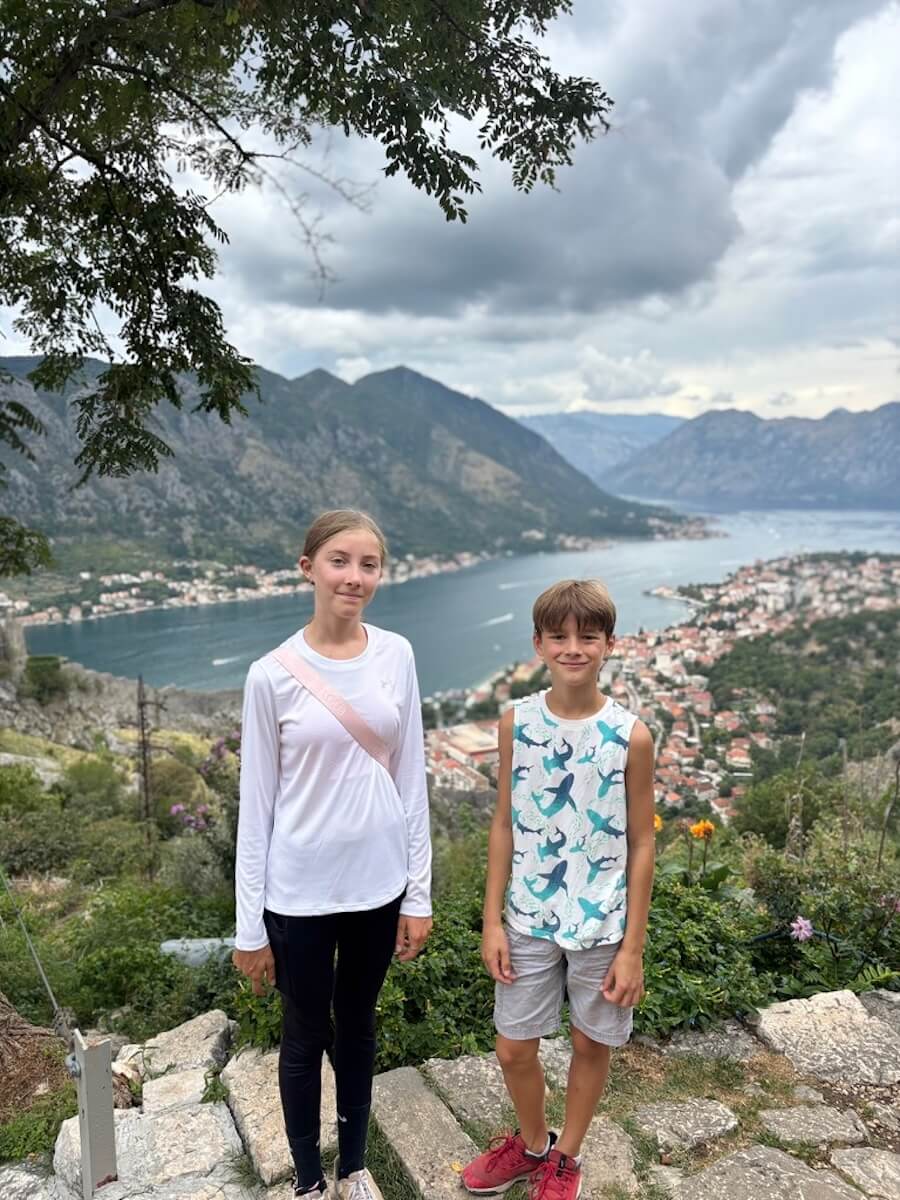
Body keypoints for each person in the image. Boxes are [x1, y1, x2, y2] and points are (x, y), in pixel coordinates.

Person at [232, 509, 433, 1200]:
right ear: (308, 567)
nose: (355, 576)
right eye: (340, 561)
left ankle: (353, 1165)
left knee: (359, 1023)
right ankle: (309, 1179)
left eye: (368, 564)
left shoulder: (397, 655)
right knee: (303, 1032)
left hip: (379, 885)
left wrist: (420, 895)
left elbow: (412, 778)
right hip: (299, 892)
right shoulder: (271, 676)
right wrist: (249, 929)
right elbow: (254, 809)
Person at [461, 579, 655, 1200]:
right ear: (539, 644)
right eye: (559, 637)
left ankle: (566, 1155)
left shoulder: (632, 736)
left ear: (608, 645)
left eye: (587, 636)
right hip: (527, 915)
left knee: (589, 1041)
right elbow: (503, 823)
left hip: (603, 921)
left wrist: (633, 948)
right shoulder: (516, 722)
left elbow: (642, 844)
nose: (574, 648)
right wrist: (492, 920)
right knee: (514, 1047)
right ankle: (532, 1142)